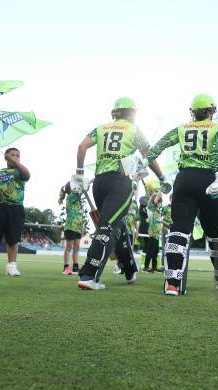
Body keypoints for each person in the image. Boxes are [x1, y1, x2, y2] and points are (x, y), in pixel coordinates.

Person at [72, 97, 169, 290]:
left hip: (99, 183)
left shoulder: (101, 128)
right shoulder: (134, 129)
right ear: (133, 113)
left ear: (114, 112)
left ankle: (130, 270)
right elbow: (148, 155)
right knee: (107, 227)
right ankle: (90, 276)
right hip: (120, 183)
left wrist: (80, 173)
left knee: (117, 225)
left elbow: (82, 146)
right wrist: (162, 178)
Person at [141, 94, 218, 295]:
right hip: (208, 179)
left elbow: (160, 145)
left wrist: (144, 163)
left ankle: (172, 283)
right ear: (210, 111)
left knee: (178, 232)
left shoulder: (182, 128)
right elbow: (217, 154)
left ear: (193, 112)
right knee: (216, 233)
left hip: (184, 180)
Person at [0, 148, 30, 277]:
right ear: (6, 157)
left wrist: (16, 162)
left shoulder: (20, 172)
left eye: (18, 155)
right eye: (12, 155)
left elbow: (28, 175)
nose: (15, 157)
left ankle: (12, 266)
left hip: (15, 208)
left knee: (13, 239)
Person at [59, 182, 85, 275]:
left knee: (77, 247)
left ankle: (75, 266)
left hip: (77, 226)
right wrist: (88, 182)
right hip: (70, 225)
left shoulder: (76, 197)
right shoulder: (71, 196)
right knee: (69, 247)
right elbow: (82, 190)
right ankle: (66, 267)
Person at [144, 191, 162, 272]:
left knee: (155, 251)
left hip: (157, 234)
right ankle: (146, 266)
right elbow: (157, 197)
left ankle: (154, 267)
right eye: (160, 202)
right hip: (153, 232)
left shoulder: (158, 211)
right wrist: (161, 189)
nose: (161, 204)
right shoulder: (151, 207)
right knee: (150, 251)